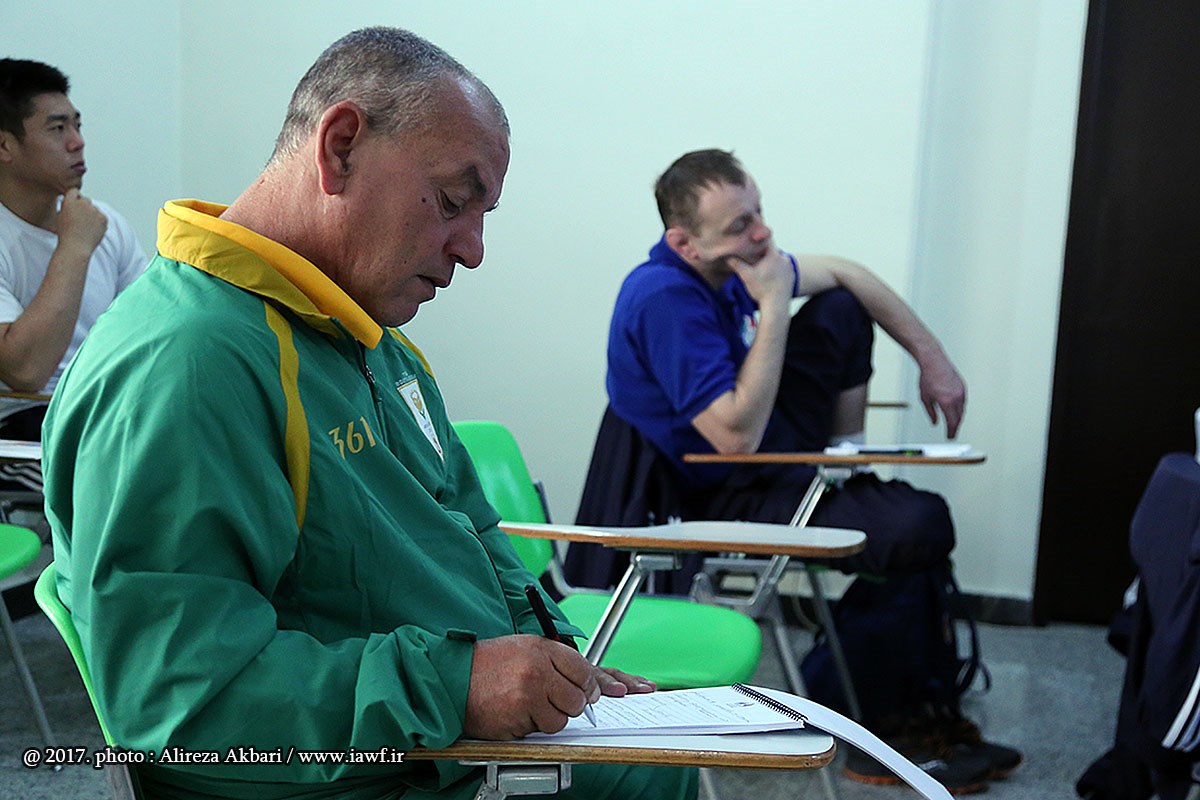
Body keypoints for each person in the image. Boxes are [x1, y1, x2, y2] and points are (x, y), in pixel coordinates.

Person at [42, 28, 695, 800]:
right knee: (653, 778)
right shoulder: (187, 363)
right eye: (452, 202)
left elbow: (470, 526)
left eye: (483, 214)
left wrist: (550, 656)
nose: (473, 250)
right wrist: (457, 686)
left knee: (667, 754)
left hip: (436, 736)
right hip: (363, 772)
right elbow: (182, 701)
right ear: (340, 147)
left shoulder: (371, 343)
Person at [568, 148, 1019, 791]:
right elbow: (735, 438)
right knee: (914, 524)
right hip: (708, 491)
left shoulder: (731, 267)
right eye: (740, 226)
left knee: (842, 305)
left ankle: (845, 472)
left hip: (760, 458)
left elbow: (850, 273)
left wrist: (934, 359)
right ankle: (877, 728)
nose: (763, 234)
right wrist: (775, 301)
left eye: (759, 213)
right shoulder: (663, 296)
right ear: (685, 243)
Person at [0, 59, 146, 492]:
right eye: (57, 128)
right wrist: (74, 247)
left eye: (77, 125)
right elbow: (26, 371)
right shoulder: (83, 231)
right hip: (21, 430)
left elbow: (149, 331)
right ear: (4, 146)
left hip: (104, 412)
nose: (77, 142)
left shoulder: (105, 223)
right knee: (115, 489)